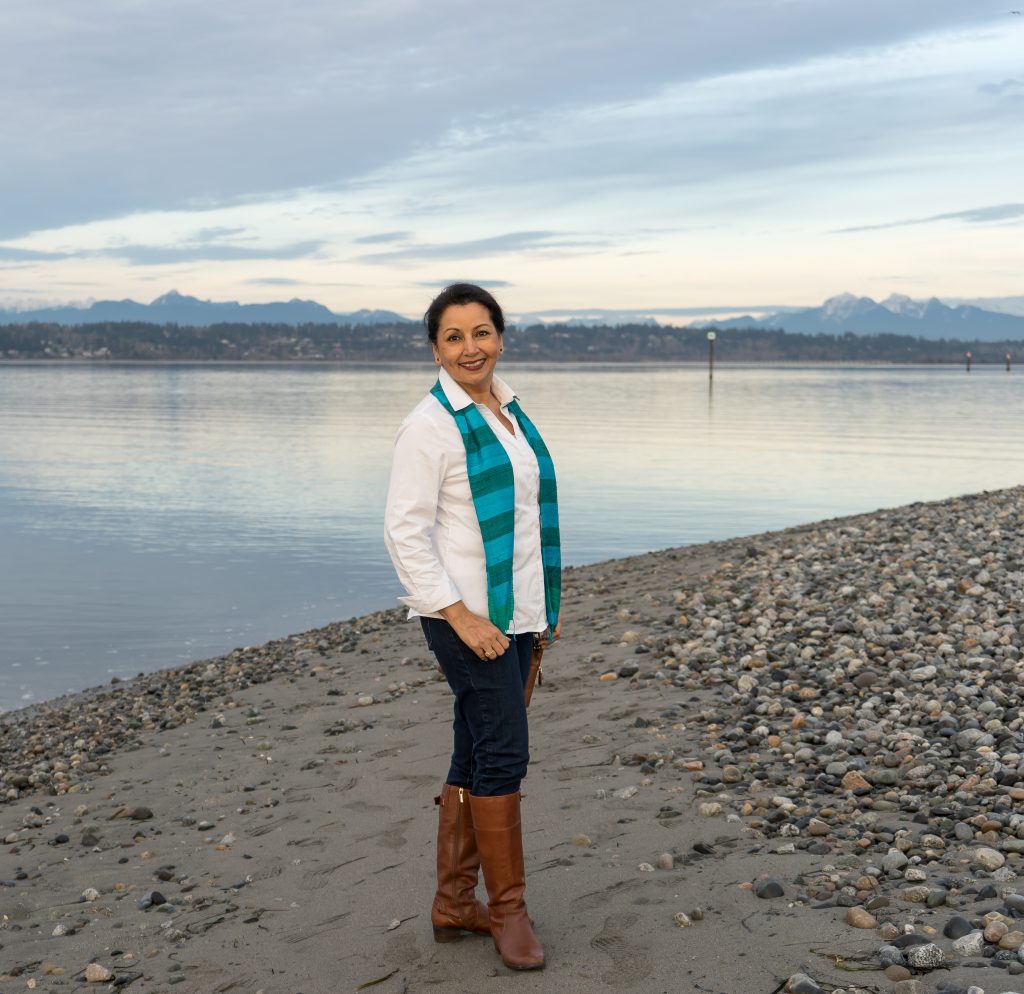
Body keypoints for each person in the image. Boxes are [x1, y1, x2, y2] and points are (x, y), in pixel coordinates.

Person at [384, 283, 560, 971]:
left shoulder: (509, 411)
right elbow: (404, 531)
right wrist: (459, 614)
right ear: (435, 348)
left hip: (517, 611)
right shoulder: (428, 425)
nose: (470, 347)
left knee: (478, 747)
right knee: (506, 753)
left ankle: (456, 902)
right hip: (462, 617)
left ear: (500, 337)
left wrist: (537, 614)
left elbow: (521, 520)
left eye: (481, 332)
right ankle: (508, 909)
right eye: (454, 336)